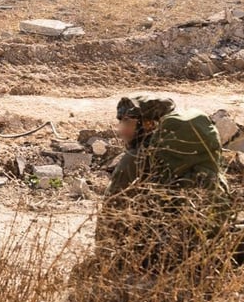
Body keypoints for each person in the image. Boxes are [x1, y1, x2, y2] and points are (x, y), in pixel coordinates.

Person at [96, 94, 232, 269]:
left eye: (128, 123)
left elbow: (111, 214)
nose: (121, 131)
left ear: (149, 125)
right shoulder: (197, 151)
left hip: (160, 258)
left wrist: (102, 261)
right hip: (210, 252)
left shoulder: (135, 159)